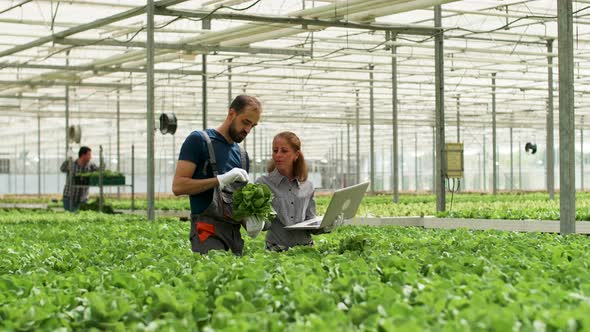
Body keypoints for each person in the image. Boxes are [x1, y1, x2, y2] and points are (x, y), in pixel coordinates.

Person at [173, 94, 262, 255]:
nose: (247, 130)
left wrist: (249, 221)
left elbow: (234, 203)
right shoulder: (199, 141)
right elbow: (178, 186)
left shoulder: (242, 156)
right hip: (207, 233)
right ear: (231, 114)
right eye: (245, 122)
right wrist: (220, 180)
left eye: (253, 126)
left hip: (234, 237)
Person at [256, 131, 340, 252]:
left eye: (284, 151)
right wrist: (256, 222)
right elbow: (264, 223)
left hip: (306, 249)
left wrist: (327, 226)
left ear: (296, 155)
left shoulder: (308, 186)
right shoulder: (263, 184)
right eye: (275, 150)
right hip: (276, 249)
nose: (278, 155)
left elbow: (310, 222)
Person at [60, 146, 99, 212]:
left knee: (81, 217)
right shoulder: (72, 164)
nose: (90, 157)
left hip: (83, 198)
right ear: (83, 155)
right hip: (69, 196)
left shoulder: (91, 166)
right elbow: (62, 169)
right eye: (89, 155)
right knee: (69, 216)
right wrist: (68, 159)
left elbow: (99, 172)